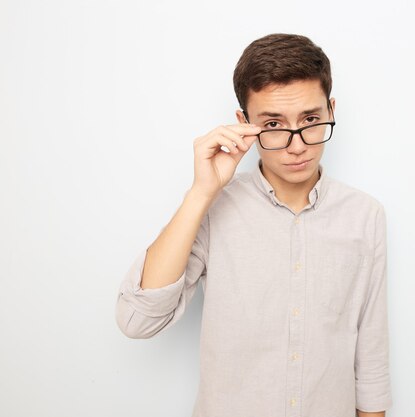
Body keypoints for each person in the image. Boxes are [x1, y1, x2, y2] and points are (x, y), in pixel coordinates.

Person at [115, 33, 392, 417]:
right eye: (274, 123)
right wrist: (201, 193)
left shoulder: (365, 215)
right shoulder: (214, 209)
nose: (297, 145)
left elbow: (371, 356)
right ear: (244, 124)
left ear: (331, 110)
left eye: (311, 120)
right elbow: (137, 320)